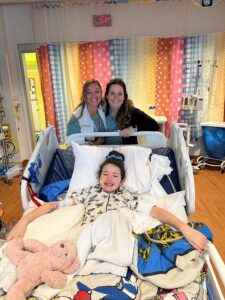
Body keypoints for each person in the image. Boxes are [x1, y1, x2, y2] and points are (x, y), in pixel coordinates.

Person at [7, 151, 207, 252]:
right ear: (99, 176)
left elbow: (156, 212)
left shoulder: (127, 195)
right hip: (84, 238)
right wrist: (24, 222)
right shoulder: (87, 192)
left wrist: (185, 228)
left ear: (123, 180)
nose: (109, 179)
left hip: (112, 239)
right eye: (105, 174)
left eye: (115, 175)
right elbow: (52, 206)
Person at [104, 78, 159, 145]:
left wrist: (134, 129)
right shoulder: (101, 112)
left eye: (120, 94)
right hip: (105, 151)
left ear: (124, 96)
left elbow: (154, 125)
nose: (116, 97)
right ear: (107, 95)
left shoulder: (131, 112)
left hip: (128, 151)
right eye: (112, 93)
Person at [66, 79, 106, 145]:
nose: (93, 96)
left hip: (99, 148)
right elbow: (69, 141)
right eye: (89, 92)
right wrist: (86, 142)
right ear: (84, 95)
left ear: (101, 93)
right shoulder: (76, 117)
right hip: (83, 151)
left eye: (97, 91)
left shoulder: (103, 109)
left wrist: (97, 143)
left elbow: (102, 134)